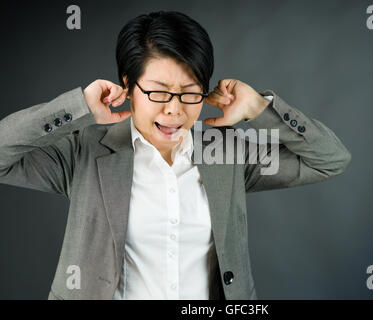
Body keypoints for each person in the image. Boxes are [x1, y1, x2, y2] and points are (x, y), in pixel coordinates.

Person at [0, 11, 351, 300]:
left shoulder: (225, 152)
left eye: (189, 93)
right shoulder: (85, 152)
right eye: (157, 92)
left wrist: (261, 108)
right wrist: (77, 107)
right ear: (129, 86)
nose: (174, 110)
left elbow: (329, 159)